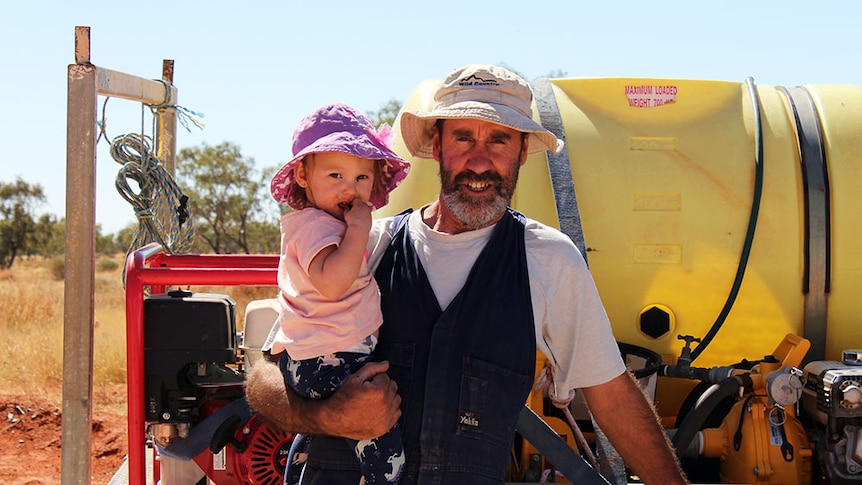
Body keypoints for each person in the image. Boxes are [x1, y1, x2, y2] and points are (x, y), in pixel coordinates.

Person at [248, 65, 688, 485]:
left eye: (499, 140)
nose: (480, 161)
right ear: (436, 147)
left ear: (522, 151)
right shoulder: (365, 246)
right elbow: (265, 375)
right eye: (463, 137)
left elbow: (611, 395)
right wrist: (325, 417)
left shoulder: (548, 260)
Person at [268, 102, 411, 484]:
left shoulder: (330, 225)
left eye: (363, 177)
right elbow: (332, 283)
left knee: (358, 430)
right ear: (302, 174)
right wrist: (360, 230)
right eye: (335, 175)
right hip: (326, 358)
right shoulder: (314, 226)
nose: (351, 188)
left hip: (326, 354)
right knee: (376, 430)